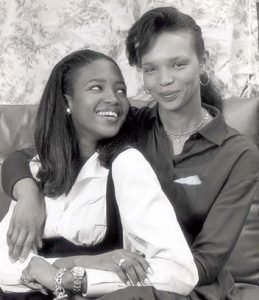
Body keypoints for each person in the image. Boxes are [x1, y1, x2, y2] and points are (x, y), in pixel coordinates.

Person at [2, 6, 259, 300]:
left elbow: (203, 265)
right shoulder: (128, 124)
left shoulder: (239, 153)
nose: (164, 80)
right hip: (123, 276)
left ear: (203, 62)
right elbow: (26, 157)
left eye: (178, 64)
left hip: (186, 286)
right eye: (151, 69)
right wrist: (27, 195)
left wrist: (73, 270)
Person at [0, 48, 198, 299]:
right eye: (96, 87)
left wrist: (71, 277)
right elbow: (5, 266)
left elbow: (180, 272)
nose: (114, 99)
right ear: (66, 101)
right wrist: (74, 263)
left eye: (120, 90)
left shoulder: (127, 165)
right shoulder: (38, 169)